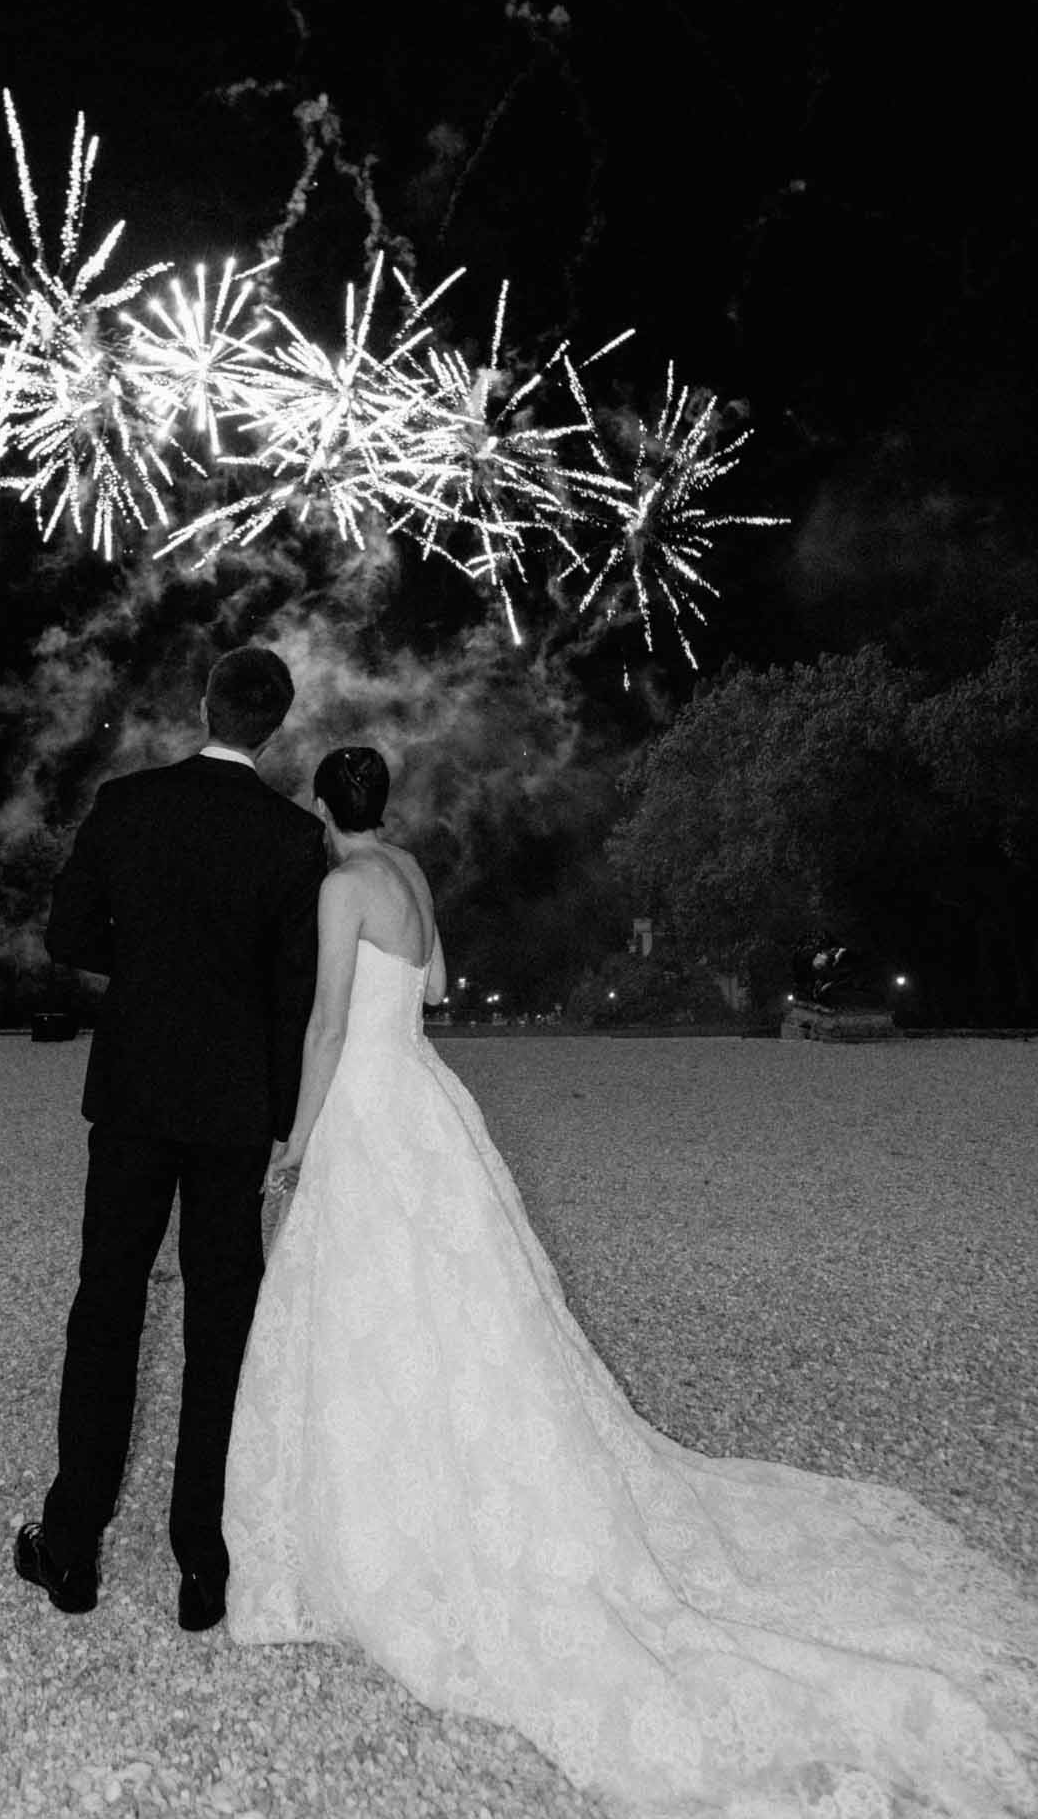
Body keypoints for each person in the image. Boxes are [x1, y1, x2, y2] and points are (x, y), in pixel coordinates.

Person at [225, 747, 1038, 1818]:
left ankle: (386, 1517)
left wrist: (295, 1135)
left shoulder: (339, 884)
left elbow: (327, 1022)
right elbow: (429, 984)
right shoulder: (412, 873)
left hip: (369, 1109)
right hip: (424, 1095)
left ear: (322, 805)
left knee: (363, 1304)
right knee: (457, 1307)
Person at [15, 648, 327, 1632]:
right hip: (235, 1100)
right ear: (273, 725)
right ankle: (205, 1559)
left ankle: (71, 1545)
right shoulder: (291, 838)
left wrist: (142, 963)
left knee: (106, 1302)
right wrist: (281, 1114)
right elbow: (293, 993)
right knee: (219, 1323)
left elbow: (67, 934)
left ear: (203, 704)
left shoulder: (128, 801)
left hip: (138, 1086)